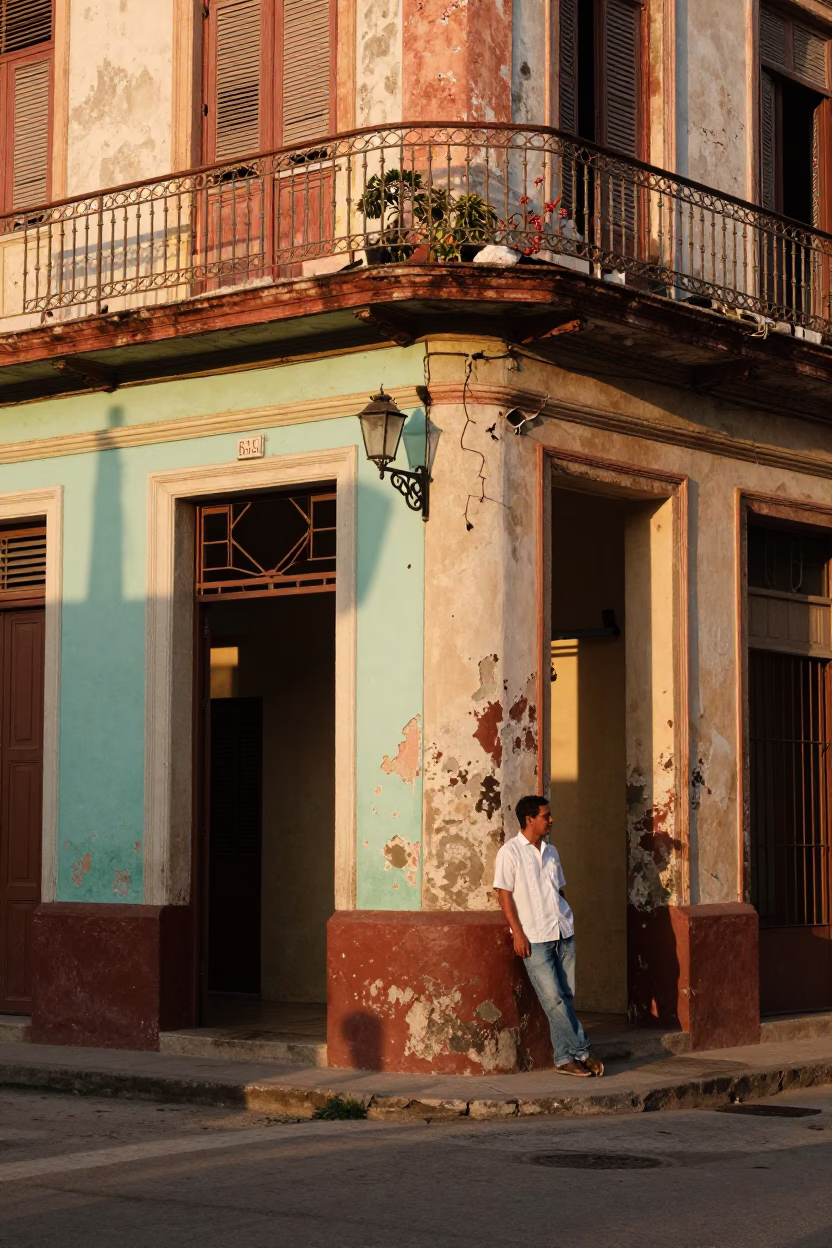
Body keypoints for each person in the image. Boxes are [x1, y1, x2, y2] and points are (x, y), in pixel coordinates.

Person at [493, 794, 603, 1077]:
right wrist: (517, 933)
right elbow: (504, 896)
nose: (551, 819)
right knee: (552, 999)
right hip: (534, 937)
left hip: (563, 931)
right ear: (530, 819)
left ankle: (564, 1059)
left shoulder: (552, 852)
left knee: (565, 996)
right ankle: (584, 1050)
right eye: (546, 816)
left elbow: (558, 890)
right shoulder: (510, 853)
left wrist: (564, 913)